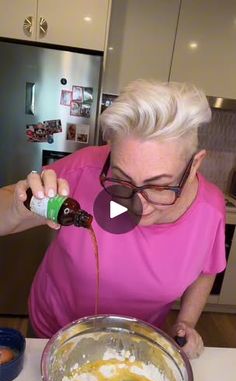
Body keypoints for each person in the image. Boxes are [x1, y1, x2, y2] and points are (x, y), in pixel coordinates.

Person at [0, 80, 226, 359]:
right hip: (53, 331)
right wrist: (17, 208)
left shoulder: (211, 209)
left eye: (159, 185)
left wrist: (187, 322)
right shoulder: (84, 169)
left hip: (132, 342)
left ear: (194, 166)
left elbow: (207, 269)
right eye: (121, 179)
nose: (137, 203)